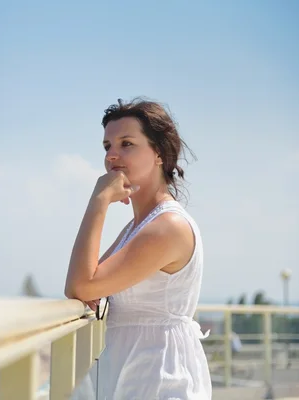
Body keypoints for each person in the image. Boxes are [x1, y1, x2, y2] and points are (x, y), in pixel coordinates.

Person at [64, 98, 211, 399]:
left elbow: (80, 285)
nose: (112, 155)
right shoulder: (138, 227)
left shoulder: (167, 226)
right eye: (107, 146)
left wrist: (99, 200)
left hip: (158, 374)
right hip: (133, 366)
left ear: (158, 152)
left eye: (126, 143)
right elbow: (87, 285)